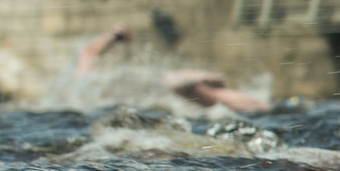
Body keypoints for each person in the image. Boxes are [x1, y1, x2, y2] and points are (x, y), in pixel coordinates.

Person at [75, 22, 270, 113]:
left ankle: (260, 107)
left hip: (158, 91)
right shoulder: (88, 81)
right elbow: (90, 51)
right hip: (165, 86)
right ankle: (262, 108)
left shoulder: (86, 82)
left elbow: (90, 52)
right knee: (202, 91)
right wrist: (115, 35)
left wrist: (114, 36)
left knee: (196, 90)